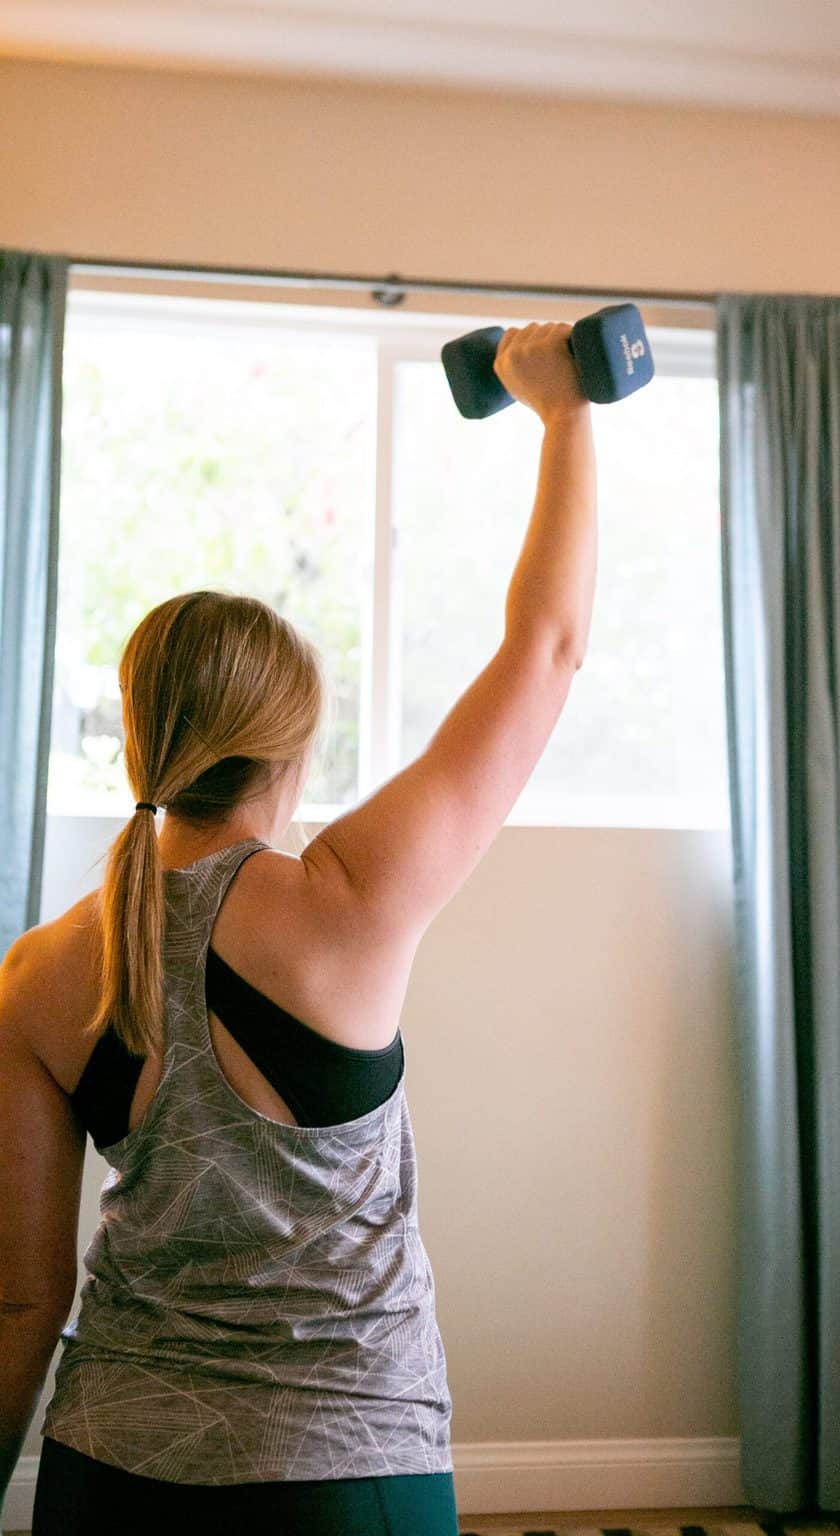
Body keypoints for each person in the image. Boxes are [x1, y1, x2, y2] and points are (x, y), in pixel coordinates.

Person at [0, 321, 597, 1536]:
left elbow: (19, 1307)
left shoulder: (36, 974)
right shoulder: (344, 899)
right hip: (342, 1469)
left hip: (104, 1466)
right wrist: (565, 411)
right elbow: (546, 650)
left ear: (141, 731)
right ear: (289, 743)